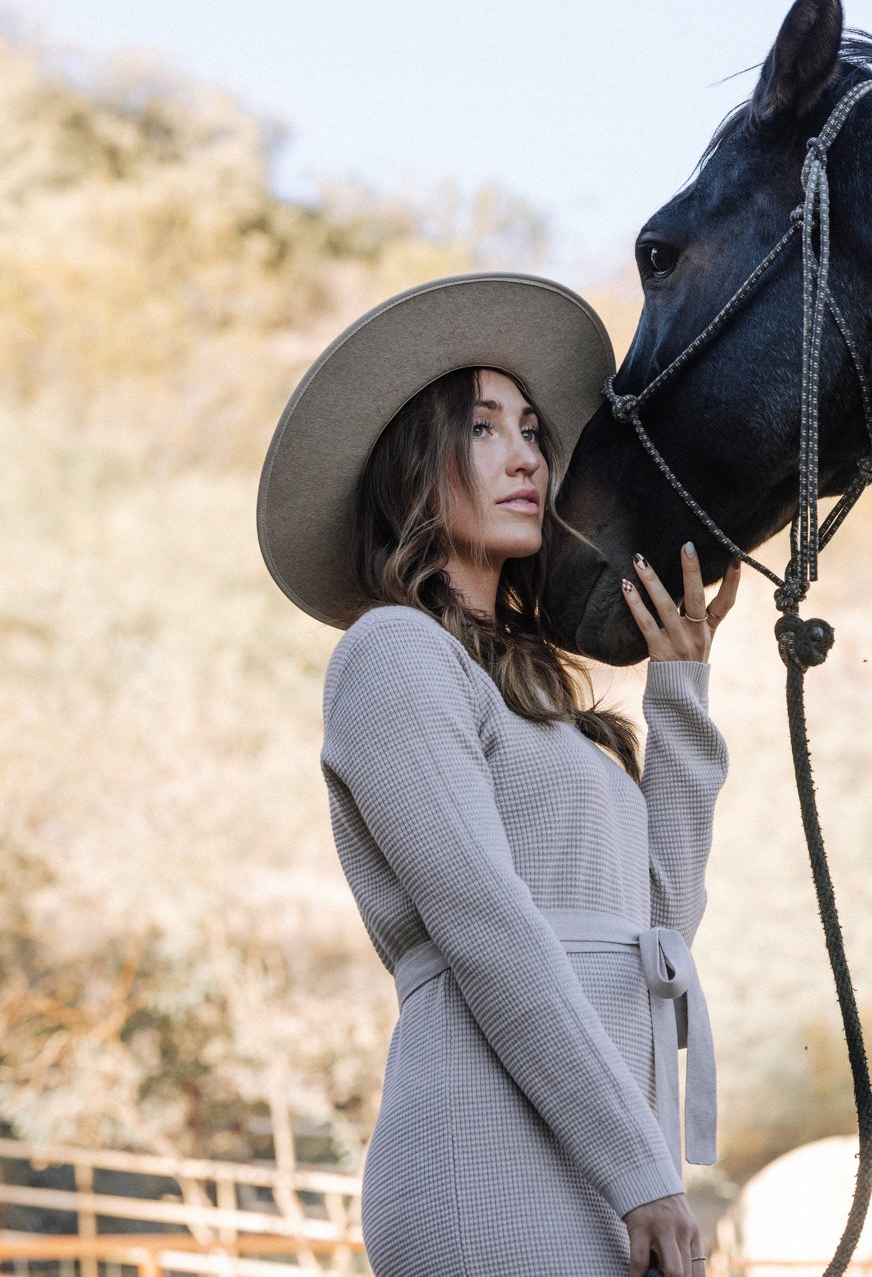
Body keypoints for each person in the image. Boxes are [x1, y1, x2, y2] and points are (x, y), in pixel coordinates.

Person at [256, 272, 741, 1277]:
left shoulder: (549, 704)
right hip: (488, 1158)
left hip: (609, 1160)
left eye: (531, 428)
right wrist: (640, 1168)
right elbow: (486, 926)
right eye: (484, 428)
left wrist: (681, 686)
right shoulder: (392, 654)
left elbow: (663, 928)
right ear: (407, 468)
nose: (526, 453)